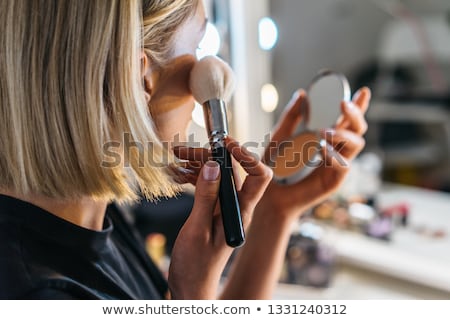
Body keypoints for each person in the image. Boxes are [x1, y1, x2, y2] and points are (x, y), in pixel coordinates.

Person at [0, 0, 370, 299]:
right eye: (196, 47)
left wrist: (275, 210)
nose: (210, 68)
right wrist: (193, 296)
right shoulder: (46, 295)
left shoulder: (91, 217)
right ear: (138, 76)